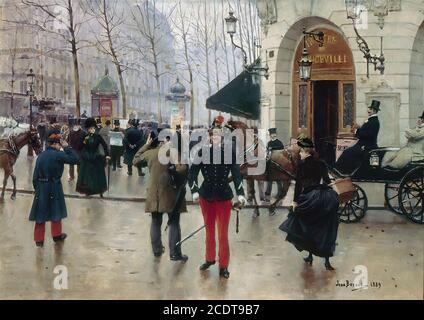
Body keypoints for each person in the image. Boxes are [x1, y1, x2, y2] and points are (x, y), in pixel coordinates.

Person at [188, 117, 247, 279]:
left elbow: (236, 176)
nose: (215, 138)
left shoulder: (229, 153)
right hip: (205, 197)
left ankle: (224, 265)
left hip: (224, 198)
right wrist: (194, 190)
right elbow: (192, 174)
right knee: (209, 231)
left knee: (222, 234)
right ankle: (209, 259)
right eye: (213, 135)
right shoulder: (202, 152)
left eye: (218, 135)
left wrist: (240, 194)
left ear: (222, 137)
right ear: (210, 136)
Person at [279, 138, 340, 270]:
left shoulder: (302, 165)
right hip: (322, 197)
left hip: (308, 198)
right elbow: (327, 181)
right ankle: (326, 261)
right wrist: (334, 193)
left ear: (306, 152)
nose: (300, 154)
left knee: (308, 228)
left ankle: (310, 255)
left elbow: (299, 186)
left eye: (301, 151)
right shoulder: (321, 163)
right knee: (324, 227)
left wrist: (295, 202)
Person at [133, 129, 189, 261]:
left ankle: (157, 250)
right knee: (174, 222)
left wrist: (147, 144)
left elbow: (135, 160)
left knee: (155, 221)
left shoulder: (150, 153)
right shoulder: (172, 153)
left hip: (153, 194)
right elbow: (182, 169)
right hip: (170, 194)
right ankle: (175, 253)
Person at [29, 129, 79, 247]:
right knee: (56, 212)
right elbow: (75, 159)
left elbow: (35, 176)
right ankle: (56, 236)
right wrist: (67, 147)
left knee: (40, 214)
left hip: (41, 187)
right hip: (54, 186)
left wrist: (38, 189)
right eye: (59, 144)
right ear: (56, 144)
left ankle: (39, 240)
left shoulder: (40, 156)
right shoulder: (59, 155)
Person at [335, 100, 381, 175]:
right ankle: (341, 171)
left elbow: (368, 135)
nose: (368, 111)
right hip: (363, 144)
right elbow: (366, 131)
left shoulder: (374, 121)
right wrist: (359, 128)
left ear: (374, 111)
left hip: (366, 146)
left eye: (370, 109)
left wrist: (357, 130)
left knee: (348, 153)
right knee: (347, 152)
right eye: (369, 109)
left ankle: (341, 171)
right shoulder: (371, 120)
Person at [76, 118, 110, 197]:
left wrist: (107, 155)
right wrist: (84, 142)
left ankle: (100, 191)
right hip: (87, 157)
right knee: (87, 176)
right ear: (88, 129)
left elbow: (105, 146)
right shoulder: (85, 136)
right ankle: (88, 191)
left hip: (96, 157)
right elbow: (79, 147)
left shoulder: (98, 137)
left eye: (93, 128)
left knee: (98, 175)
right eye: (90, 128)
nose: (92, 130)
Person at [264, 128, 285, 203]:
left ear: (276, 134)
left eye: (274, 134)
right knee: (269, 179)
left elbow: (282, 153)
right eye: (272, 134)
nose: (273, 135)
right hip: (270, 164)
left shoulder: (279, 143)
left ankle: (280, 194)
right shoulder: (269, 143)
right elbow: (267, 153)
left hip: (278, 163)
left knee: (279, 180)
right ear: (270, 135)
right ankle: (267, 194)